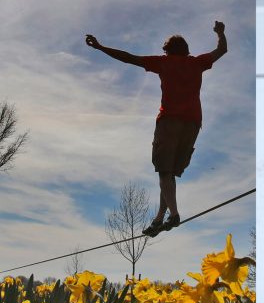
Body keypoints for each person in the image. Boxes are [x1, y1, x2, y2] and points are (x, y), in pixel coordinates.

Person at [85, 21, 227, 237]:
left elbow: (129, 58)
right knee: (169, 174)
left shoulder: (164, 62)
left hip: (169, 121)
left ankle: (174, 214)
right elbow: (222, 50)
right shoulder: (197, 63)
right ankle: (160, 218)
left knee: (163, 170)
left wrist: (101, 47)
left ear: (168, 51)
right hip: (193, 123)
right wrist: (220, 33)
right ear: (186, 49)